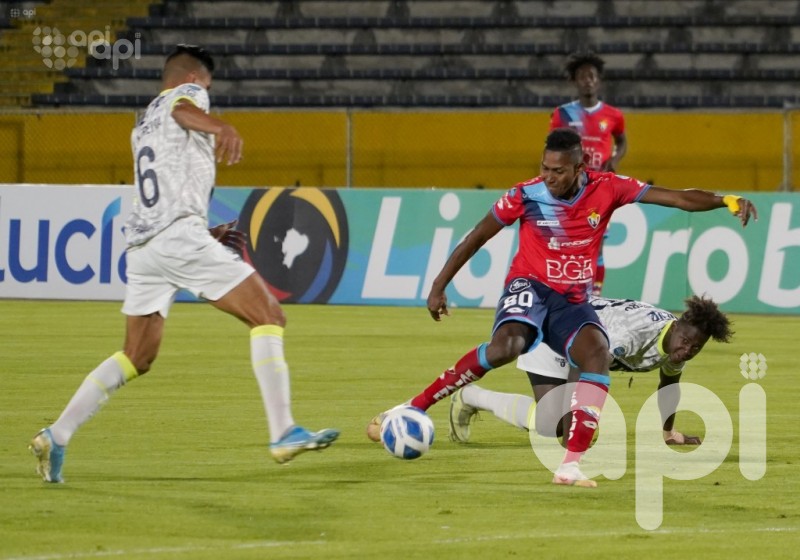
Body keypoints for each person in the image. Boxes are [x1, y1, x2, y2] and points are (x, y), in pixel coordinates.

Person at [366, 127, 756, 488]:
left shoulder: (608, 188)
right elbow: (476, 237)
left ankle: (570, 466)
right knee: (507, 347)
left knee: (597, 354)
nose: (549, 177)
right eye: (544, 168)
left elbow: (678, 198)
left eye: (558, 171)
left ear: (579, 167)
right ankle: (414, 406)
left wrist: (725, 200)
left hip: (571, 301)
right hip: (530, 287)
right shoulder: (525, 195)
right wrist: (439, 286)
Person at [29, 44, 339, 483]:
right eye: (205, 86)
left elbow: (166, 178)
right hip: (175, 238)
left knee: (136, 356)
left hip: (145, 246)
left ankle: (56, 435)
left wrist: (201, 230)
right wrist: (222, 125)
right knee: (268, 315)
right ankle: (283, 430)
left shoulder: (143, 122)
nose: (205, 95)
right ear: (195, 78)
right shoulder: (187, 95)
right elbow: (184, 109)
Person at [448, 295, 734, 446]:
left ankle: (469, 397)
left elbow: (669, 388)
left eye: (695, 347)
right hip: (554, 333)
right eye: (685, 342)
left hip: (577, 338)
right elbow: (585, 361)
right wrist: (576, 423)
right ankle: (469, 396)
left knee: (553, 424)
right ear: (677, 326)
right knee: (554, 425)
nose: (687, 350)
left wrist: (667, 432)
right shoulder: (633, 334)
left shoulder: (677, 342)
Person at [550, 51, 627, 295]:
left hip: (598, 189)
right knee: (566, 243)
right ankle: (563, 291)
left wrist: (615, 159)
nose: (588, 80)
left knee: (597, 245)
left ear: (599, 80)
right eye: (583, 76)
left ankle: (594, 296)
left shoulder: (613, 115)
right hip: (570, 189)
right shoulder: (562, 114)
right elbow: (552, 146)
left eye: (592, 75)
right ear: (575, 80)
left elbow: (622, 141)